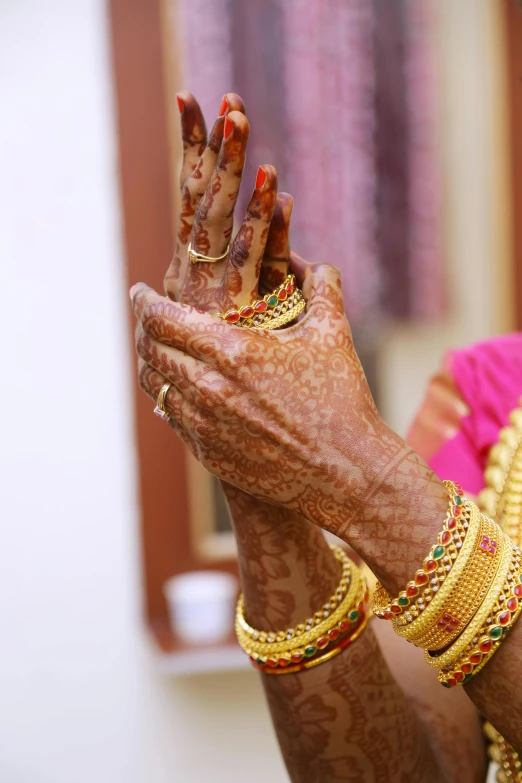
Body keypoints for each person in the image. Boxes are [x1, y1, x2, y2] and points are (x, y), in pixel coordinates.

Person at [130, 92, 522, 782]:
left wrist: (361, 473)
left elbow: (362, 479)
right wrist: (255, 459)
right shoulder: (489, 396)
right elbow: (410, 766)